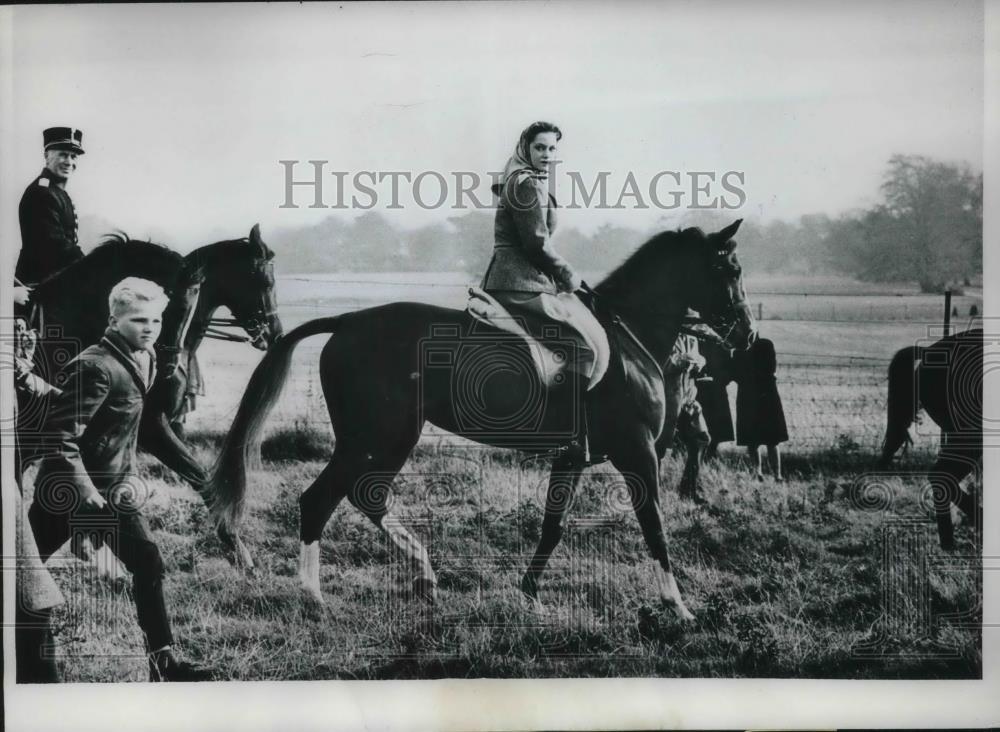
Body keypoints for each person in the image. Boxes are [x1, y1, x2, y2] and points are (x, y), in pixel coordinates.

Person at [27, 278, 214, 682]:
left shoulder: (141, 358)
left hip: (115, 490)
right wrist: (87, 493)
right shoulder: (95, 366)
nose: (149, 328)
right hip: (66, 493)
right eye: (138, 320)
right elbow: (60, 438)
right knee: (24, 571)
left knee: (147, 562)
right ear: (113, 319)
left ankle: (163, 665)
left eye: (156, 320)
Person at [481, 121, 607, 461]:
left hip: (523, 280)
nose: (547, 155)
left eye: (552, 149)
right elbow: (536, 244)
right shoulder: (526, 184)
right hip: (518, 283)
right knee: (582, 349)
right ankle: (565, 435)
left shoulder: (525, 179)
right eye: (540, 148)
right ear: (526, 147)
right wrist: (569, 275)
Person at [16, 127, 86, 296]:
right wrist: (89, 263)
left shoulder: (56, 192)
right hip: (39, 284)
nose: (69, 161)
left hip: (57, 279)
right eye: (63, 154)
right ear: (47, 156)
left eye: (74, 156)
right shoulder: (41, 193)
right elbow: (54, 246)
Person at [733, 336, 788, 480]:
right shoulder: (764, 346)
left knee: (763, 439)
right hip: (763, 396)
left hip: (754, 396)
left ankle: (766, 473)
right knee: (762, 440)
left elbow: (737, 374)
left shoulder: (743, 351)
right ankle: (768, 474)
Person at [695, 340, 735, 460]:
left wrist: (719, 379)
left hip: (716, 390)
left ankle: (711, 453)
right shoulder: (696, 340)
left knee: (716, 426)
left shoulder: (721, 344)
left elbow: (729, 369)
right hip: (697, 389)